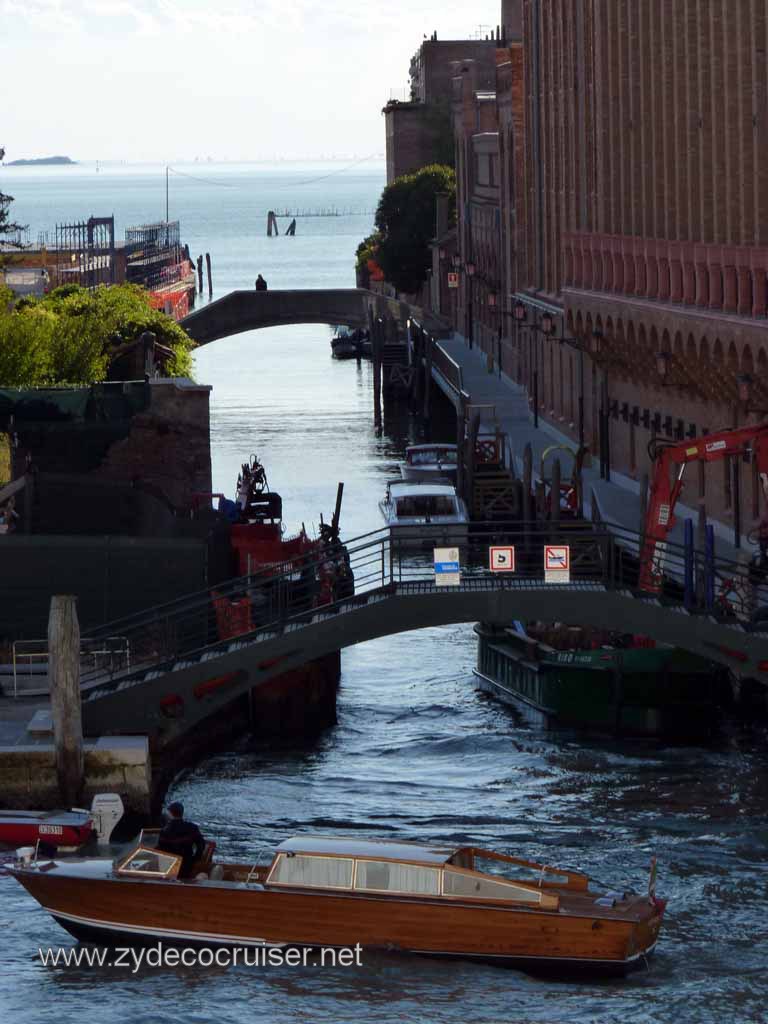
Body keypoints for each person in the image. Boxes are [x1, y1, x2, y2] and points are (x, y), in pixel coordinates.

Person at [157, 801, 206, 877]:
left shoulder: (165, 831)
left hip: (169, 866)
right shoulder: (192, 828)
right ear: (182, 813)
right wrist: (195, 859)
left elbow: (161, 849)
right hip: (186, 865)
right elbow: (201, 845)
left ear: (170, 813)